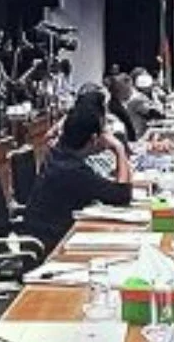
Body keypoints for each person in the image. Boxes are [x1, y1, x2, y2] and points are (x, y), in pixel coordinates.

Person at [23, 106, 132, 252]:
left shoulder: (58, 154)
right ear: (94, 139)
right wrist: (119, 148)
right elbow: (123, 195)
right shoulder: (71, 170)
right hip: (53, 247)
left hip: (51, 235)